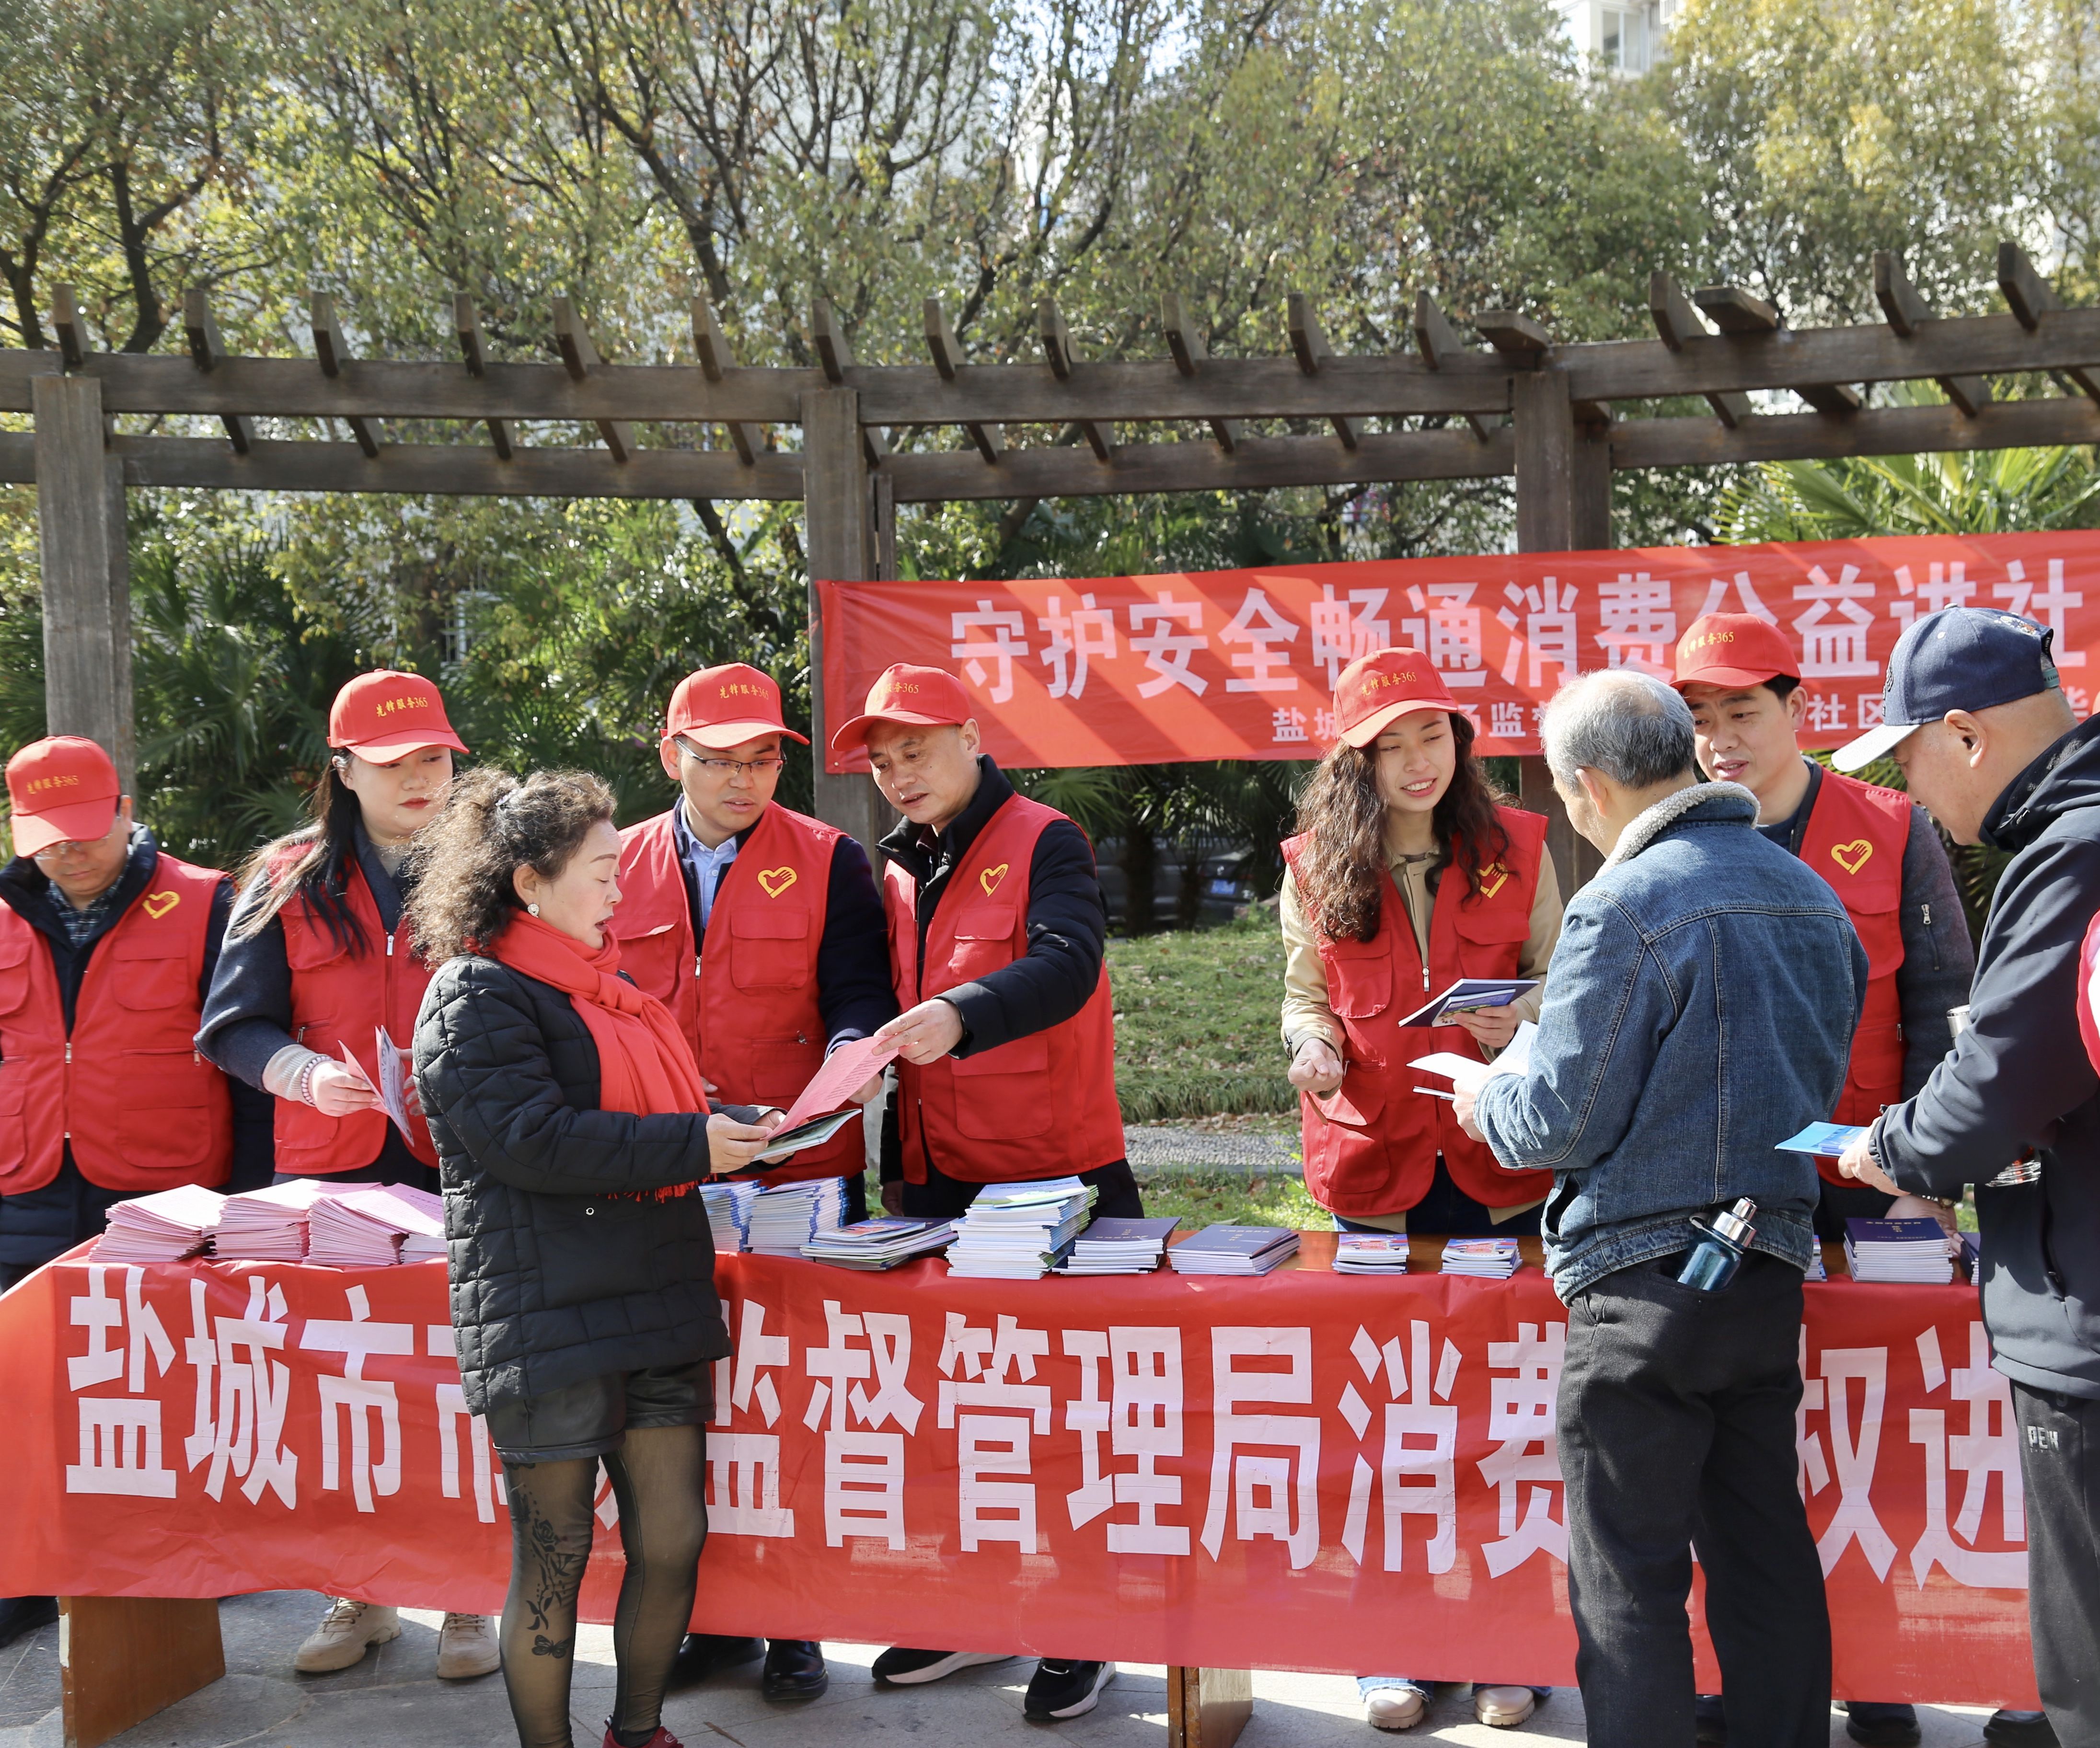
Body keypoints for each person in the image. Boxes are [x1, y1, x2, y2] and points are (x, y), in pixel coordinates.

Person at [1461, 669, 1867, 1748]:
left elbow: (1557, 1124)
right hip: (1766, 1261)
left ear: (1586, 785)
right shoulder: (1807, 891)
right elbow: (1824, 1078)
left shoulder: (1620, 903)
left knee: (1627, 1577)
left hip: (1638, 1284)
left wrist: (1483, 1094)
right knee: (1763, 1551)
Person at [409, 767, 784, 1748]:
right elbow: (532, 1142)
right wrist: (692, 1145)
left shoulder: (611, 992)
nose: (622, 891)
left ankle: (639, 1729)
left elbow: (645, 1116)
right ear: (530, 883)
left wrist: (734, 1127)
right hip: (545, 1306)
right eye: (604, 872)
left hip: (655, 1290)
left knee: (675, 1535)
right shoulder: (473, 992)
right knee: (556, 1554)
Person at [1672, 613, 1983, 1748]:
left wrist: (1926, 1183)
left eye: (1742, 712)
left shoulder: (1891, 828)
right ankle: (1735, 1675)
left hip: (1868, 1184)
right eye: (1700, 720)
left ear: (1797, 710)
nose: (1721, 740)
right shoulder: (1669, 836)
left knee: (1869, 1441)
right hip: (1726, 1193)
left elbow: (1945, 1007)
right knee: (1731, 1451)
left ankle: (1879, 1673)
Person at [830, 662, 1126, 1723]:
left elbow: (1068, 962)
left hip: (1053, 1178)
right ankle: (971, 1610)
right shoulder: (897, 865)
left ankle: (1086, 1627)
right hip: (932, 1177)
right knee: (954, 1408)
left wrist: (962, 1012)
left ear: (970, 737)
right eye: (881, 762)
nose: (898, 775)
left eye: (915, 750)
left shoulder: (1045, 839)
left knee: (1074, 1417)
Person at [1278, 648, 1561, 1734]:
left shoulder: (1520, 847)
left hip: (1499, 1169)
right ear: (1354, 762)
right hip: (1374, 1172)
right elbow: (1305, 993)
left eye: (1431, 736)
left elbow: (1565, 982)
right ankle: (1388, 1643)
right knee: (1380, 1419)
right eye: (1388, 746)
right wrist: (1311, 1048)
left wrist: (1519, 1016)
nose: (1415, 762)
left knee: (1505, 1417)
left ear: (1460, 740)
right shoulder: (1315, 866)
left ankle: (1505, 1642)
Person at [196, 669, 498, 1680]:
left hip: (468, 1165)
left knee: (462, 1381)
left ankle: (466, 1596)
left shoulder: (492, 865)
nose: (419, 779)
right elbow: (234, 1025)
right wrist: (302, 1074)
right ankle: (358, 1591)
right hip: (335, 1180)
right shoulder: (286, 877)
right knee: (341, 1389)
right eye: (393, 762)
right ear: (345, 771)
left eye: (434, 758)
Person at [1835, 607, 2100, 1748]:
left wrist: (1890, 1151)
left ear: (1964, 734)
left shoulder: (2074, 850)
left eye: (1906, 759)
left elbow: (2001, 1078)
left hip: (2083, 1304)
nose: (1907, 790)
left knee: (2090, 1650)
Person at [614, 662, 895, 1702]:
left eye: (765, 759)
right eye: (720, 760)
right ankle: (714, 1619)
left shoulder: (829, 859)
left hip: (798, 1175)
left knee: (794, 1402)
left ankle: (795, 1623)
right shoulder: (613, 863)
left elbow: (859, 994)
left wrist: (848, 1064)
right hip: (660, 1173)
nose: (744, 781)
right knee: (676, 1405)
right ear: (671, 757)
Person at [0, 734, 270, 1653]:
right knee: (27, 1386)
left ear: (124, 810)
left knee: (167, 1383)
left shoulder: (207, 903)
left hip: (168, 1195)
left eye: (85, 826)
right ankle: (26, 1574)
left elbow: (247, 1065)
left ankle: (189, 1562)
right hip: (25, 1188)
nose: (69, 849)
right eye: (47, 834)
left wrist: (252, 1205)